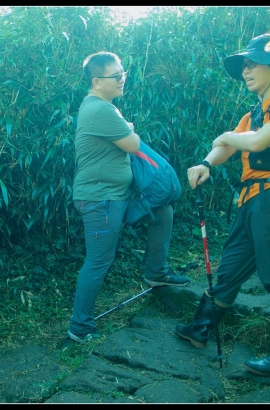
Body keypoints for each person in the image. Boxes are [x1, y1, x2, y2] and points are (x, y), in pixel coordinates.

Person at [175, 34, 270, 377]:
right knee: (230, 268)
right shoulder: (253, 113)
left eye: (253, 64)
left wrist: (225, 137)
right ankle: (200, 328)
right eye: (244, 65)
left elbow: (256, 141)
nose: (246, 71)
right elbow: (231, 146)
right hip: (251, 201)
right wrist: (206, 162)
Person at [68, 51, 190, 344]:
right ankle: (79, 327)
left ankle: (156, 272)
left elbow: (126, 140)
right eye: (116, 75)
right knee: (99, 260)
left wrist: (127, 130)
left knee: (162, 212)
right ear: (97, 81)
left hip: (117, 195)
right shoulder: (100, 109)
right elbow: (132, 143)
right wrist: (129, 130)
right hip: (100, 199)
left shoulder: (103, 106)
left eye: (123, 73)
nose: (123, 79)